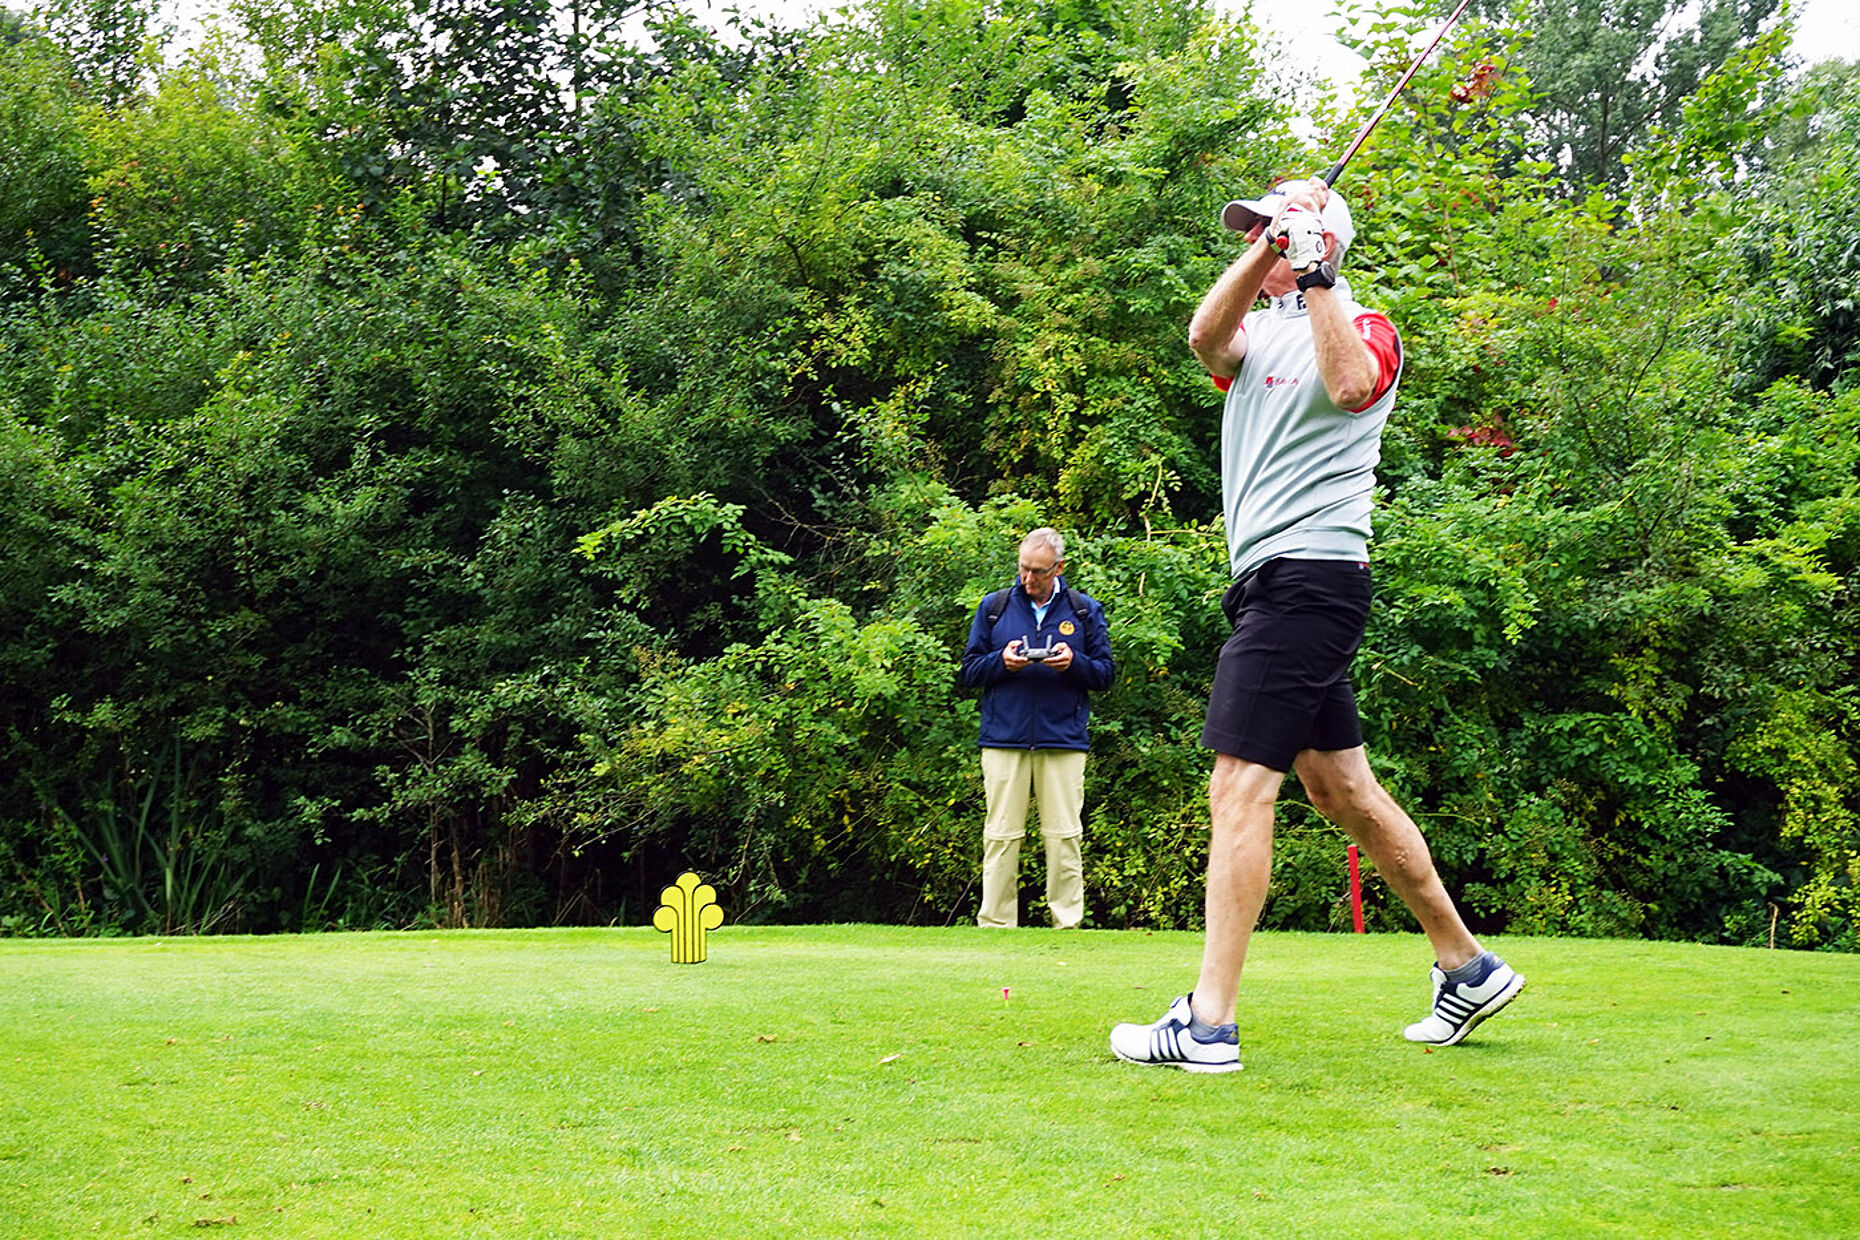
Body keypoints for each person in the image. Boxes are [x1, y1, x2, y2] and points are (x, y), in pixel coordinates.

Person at [1109, 179, 1523, 1072]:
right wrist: (1271, 249)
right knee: (1342, 792)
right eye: (1254, 233)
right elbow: (1201, 336)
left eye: (1269, 230)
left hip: (1310, 579)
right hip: (1276, 585)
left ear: (1321, 243)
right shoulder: (1254, 336)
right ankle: (1468, 965)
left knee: (1237, 787)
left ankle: (1209, 1024)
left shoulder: (1365, 324)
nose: (1257, 243)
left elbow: (1348, 385)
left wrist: (1320, 271)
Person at [958, 528, 1115, 928]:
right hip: (1003, 737)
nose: (1028, 579)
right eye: (1024, 569)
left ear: (1059, 568)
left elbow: (1105, 674)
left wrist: (1073, 663)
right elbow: (969, 671)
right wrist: (1003, 662)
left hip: (1063, 738)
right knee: (1001, 836)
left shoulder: (1083, 610)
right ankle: (995, 924)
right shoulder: (994, 607)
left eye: (1039, 572)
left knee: (1064, 836)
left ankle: (1067, 923)